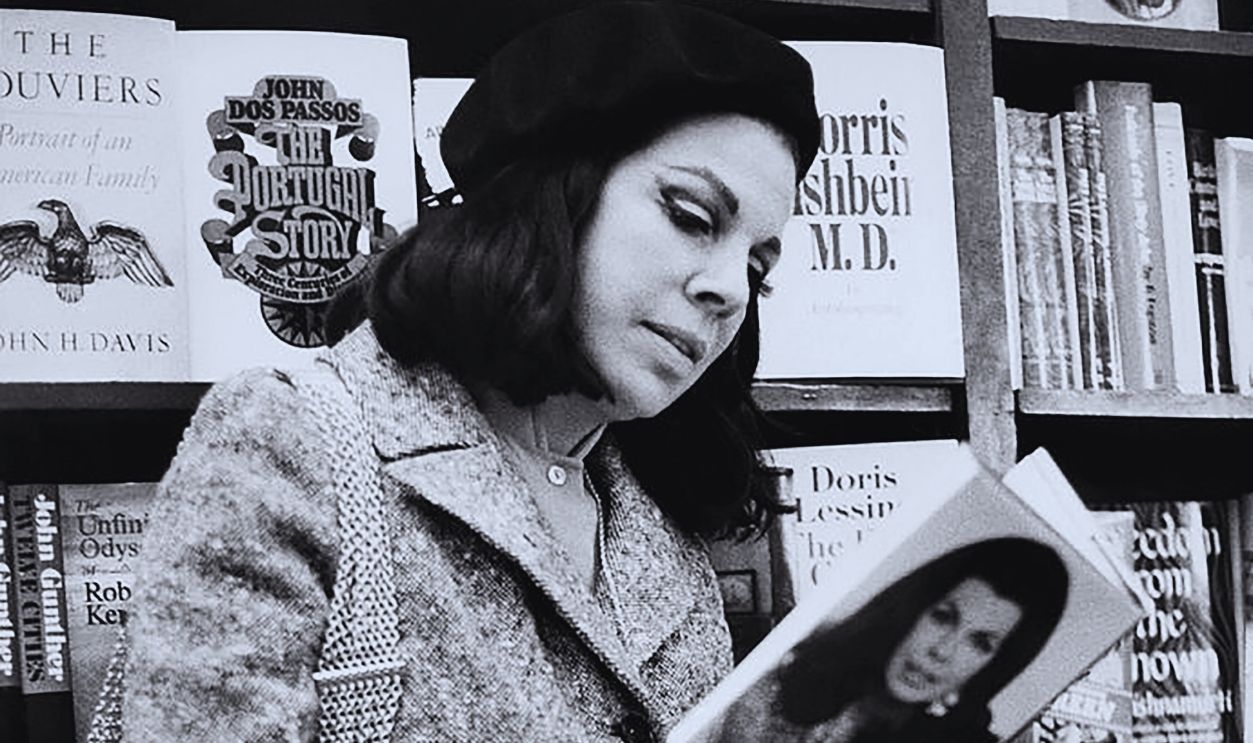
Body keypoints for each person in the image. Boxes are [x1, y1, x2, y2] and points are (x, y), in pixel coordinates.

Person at [116, 3, 819, 742]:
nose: (730, 289)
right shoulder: (289, 440)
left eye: (758, 267)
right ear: (552, 193)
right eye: (691, 215)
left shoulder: (663, 534)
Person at [712, 538, 1070, 743]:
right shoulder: (780, 683)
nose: (941, 650)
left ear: (997, 666)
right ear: (914, 608)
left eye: (980, 643)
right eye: (943, 617)